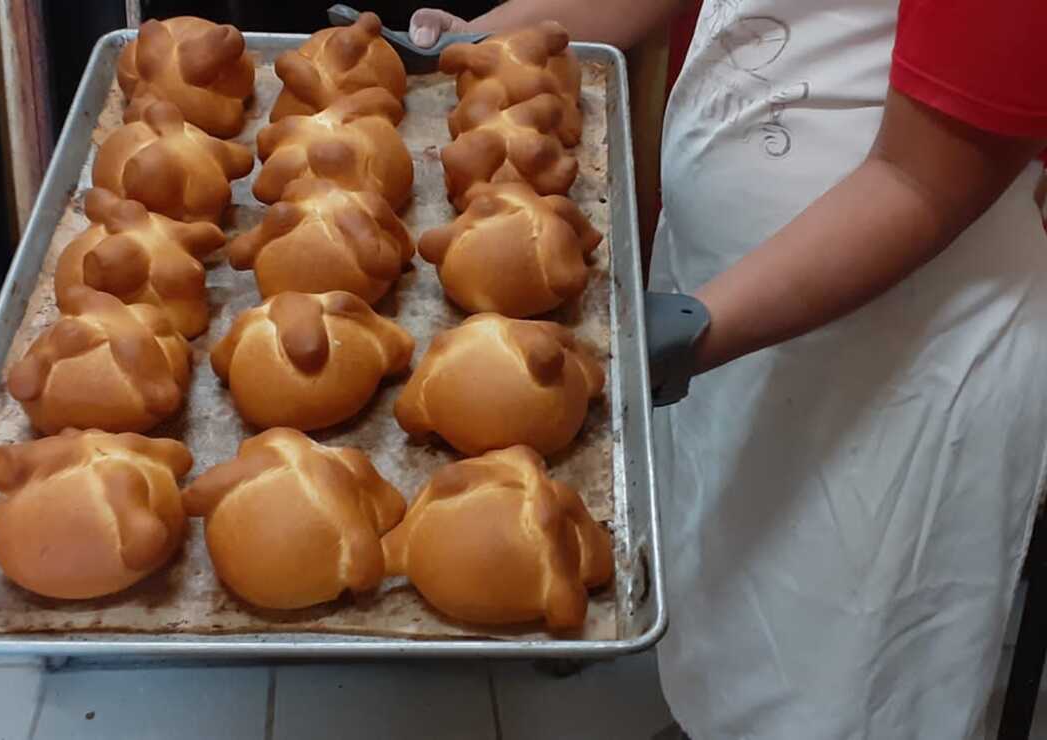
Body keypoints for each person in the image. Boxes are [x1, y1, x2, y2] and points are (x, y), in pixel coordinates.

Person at [411, 1, 1047, 738]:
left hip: (898, 355)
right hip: (735, 301)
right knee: (723, 599)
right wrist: (484, 40)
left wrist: (686, 332)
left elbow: (926, 181)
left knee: (833, 676)